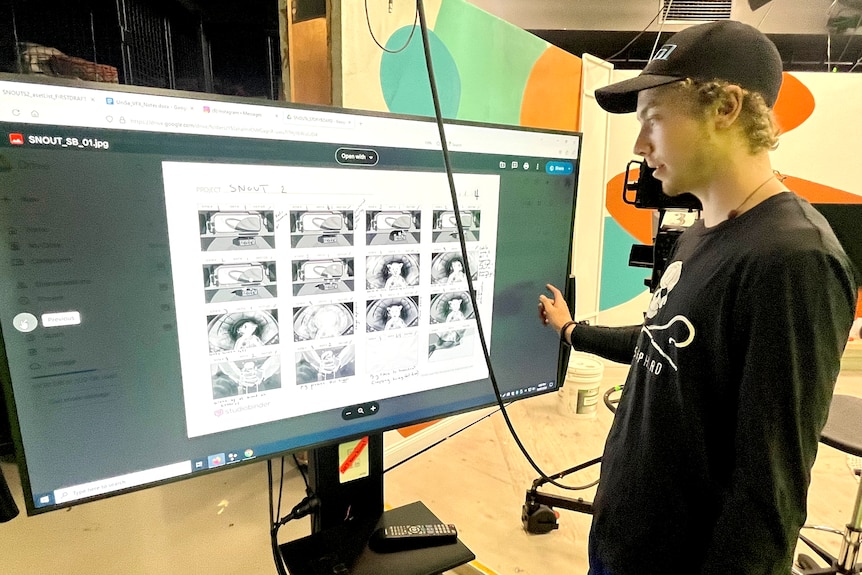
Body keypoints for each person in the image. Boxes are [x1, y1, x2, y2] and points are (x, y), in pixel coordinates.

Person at [538, 20, 858, 575]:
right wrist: (574, 332)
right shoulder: (701, 230)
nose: (640, 147)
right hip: (626, 543)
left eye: (653, 120)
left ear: (725, 108)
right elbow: (665, 345)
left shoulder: (794, 260)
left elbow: (767, 495)